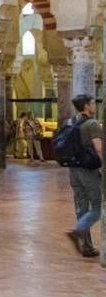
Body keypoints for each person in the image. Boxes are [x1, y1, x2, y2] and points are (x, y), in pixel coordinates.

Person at [64, 95, 103, 258]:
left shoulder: (70, 122)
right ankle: (77, 231)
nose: (94, 105)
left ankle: (87, 247)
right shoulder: (92, 124)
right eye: (93, 103)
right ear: (87, 106)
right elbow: (99, 149)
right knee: (97, 208)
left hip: (73, 170)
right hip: (88, 170)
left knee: (81, 208)